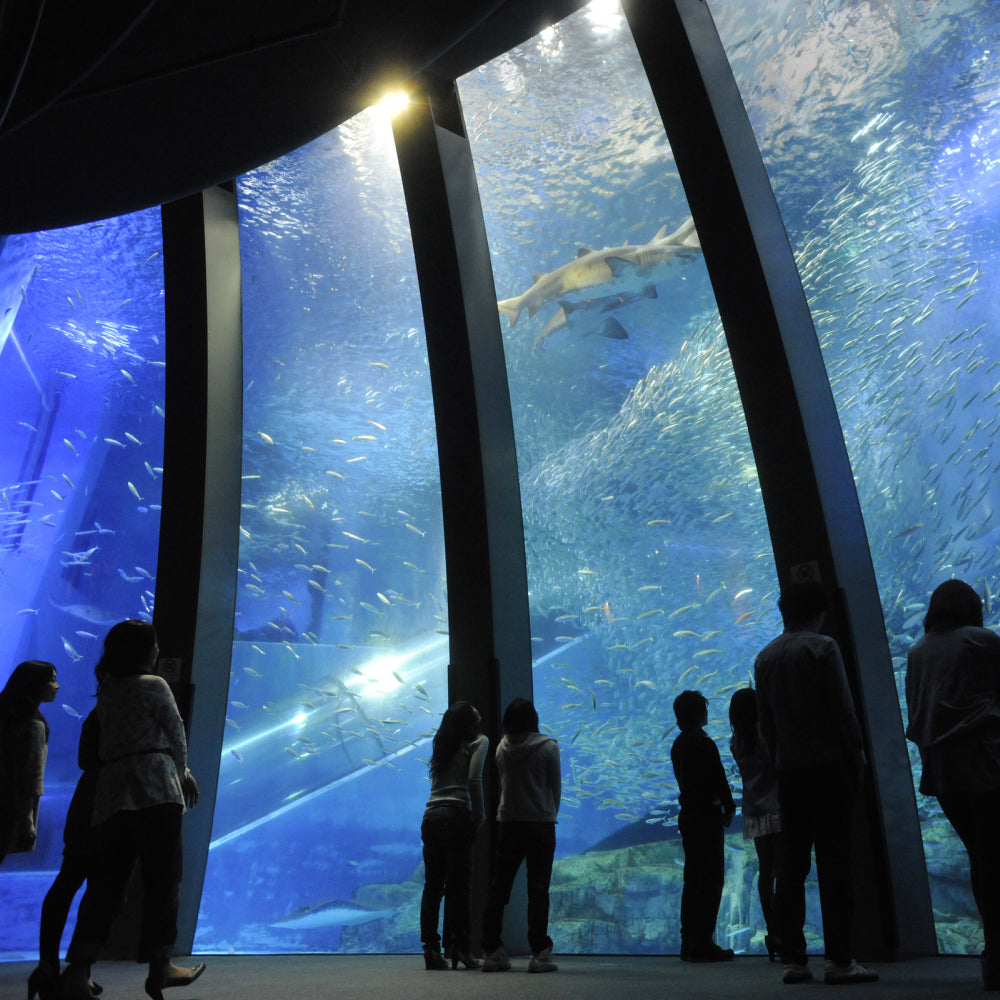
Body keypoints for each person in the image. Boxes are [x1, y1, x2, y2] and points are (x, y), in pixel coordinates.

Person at [59, 620, 204, 1000]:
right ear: (146, 650)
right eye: (154, 644)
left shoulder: (108, 689)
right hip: (156, 788)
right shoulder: (154, 685)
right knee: (164, 880)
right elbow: (176, 732)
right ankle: (161, 967)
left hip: (113, 794)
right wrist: (184, 772)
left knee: (106, 885)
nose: (157, 650)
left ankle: (78, 969)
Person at [753, 581, 878, 985]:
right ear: (818, 612)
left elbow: (766, 723)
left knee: (791, 864)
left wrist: (777, 762)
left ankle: (795, 960)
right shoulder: (824, 647)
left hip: (790, 773)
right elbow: (842, 710)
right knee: (835, 862)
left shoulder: (765, 657)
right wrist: (857, 757)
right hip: (828, 769)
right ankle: (840, 961)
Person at [905, 579, 1000, 991]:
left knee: (982, 856)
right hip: (986, 764)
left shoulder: (917, 651)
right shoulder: (982, 641)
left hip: (943, 774)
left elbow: (917, 713)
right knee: (993, 856)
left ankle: (994, 957)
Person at [28, 707, 104, 1000]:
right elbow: (86, 758)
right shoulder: (109, 712)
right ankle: (70, 970)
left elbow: (84, 759)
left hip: (88, 803)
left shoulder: (99, 711)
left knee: (69, 882)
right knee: (93, 887)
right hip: (102, 804)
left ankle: (49, 967)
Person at [481, 697, 560, 973]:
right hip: (540, 824)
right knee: (538, 889)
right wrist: (549, 813)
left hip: (509, 824)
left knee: (499, 887)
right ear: (534, 719)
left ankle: (491, 950)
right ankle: (539, 953)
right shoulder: (549, 747)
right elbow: (555, 787)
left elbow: (503, 783)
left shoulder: (501, 747)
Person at [420, 701, 488, 970]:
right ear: (471, 720)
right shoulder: (479, 741)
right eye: (475, 712)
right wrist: (480, 816)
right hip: (457, 815)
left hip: (430, 816)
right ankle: (460, 947)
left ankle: (431, 949)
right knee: (460, 886)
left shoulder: (441, 744)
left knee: (433, 886)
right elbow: (474, 780)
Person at [670, 689, 735, 962]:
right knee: (711, 879)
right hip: (706, 818)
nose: (708, 713)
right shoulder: (704, 743)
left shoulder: (678, 744)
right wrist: (729, 806)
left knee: (692, 879)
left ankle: (689, 941)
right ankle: (703, 942)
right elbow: (718, 778)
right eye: (704, 708)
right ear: (698, 713)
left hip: (687, 816)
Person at [729, 686, 782, 960]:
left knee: (766, 872)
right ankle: (785, 930)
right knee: (785, 871)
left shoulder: (737, 741)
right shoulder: (765, 736)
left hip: (755, 811)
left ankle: (773, 931)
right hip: (777, 807)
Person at [0, 660, 59, 867]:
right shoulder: (33, 725)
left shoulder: (7, 715)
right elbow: (31, 777)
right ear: (35, 685)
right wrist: (27, 820)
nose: (57, 686)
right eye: (52, 681)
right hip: (8, 807)